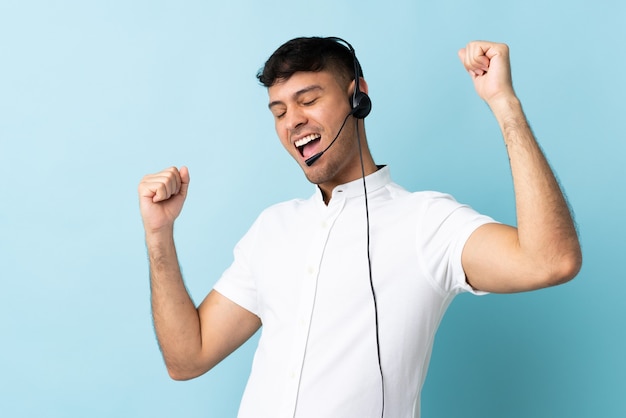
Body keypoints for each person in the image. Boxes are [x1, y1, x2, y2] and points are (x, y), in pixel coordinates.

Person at [138, 37, 582, 418]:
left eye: (308, 100)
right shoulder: (272, 228)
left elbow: (551, 260)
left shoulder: (427, 222)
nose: (292, 120)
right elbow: (187, 357)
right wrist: (160, 234)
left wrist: (504, 104)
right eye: (278, 111)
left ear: (358, 97)